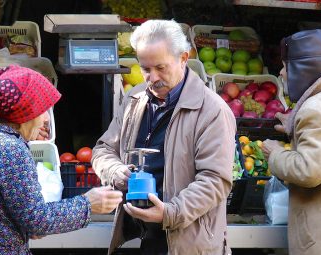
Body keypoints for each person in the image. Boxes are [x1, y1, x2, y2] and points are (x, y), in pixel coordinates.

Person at [92, 20, 236, 255]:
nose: (152, 77)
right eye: (146, 69)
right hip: (141, 238)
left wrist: (170, 212)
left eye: (161, 67)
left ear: (183, 58)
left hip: (188, 242)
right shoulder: (134, 99)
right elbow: (103, 150)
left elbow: (215, 180)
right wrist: (116, 172)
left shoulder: (211, 110)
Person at [0, 65, 123, 254]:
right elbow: (37, 220)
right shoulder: (9, 148)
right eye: (42, 110)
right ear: (24, 112)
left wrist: (23, 226)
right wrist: (89, 204)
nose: (46, 118)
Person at [262, 29, 321, 255]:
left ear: (302, 70)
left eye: (285, 66)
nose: (281, 73)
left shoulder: (314, 109)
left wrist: (276, 154)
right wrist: (295, 127)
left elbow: (310, 171)